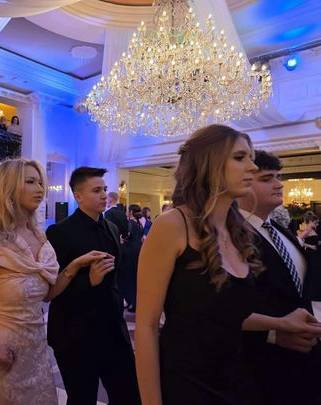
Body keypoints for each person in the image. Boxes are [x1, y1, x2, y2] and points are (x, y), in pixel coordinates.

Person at [135, 124, 320, 405]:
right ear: (209, 164)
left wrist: (280, 323)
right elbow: (147, 327)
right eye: (240, 157)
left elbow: (225, 314)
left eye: (251, 158)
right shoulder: (173, 224)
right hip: (188, 384)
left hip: (238, 381)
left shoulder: (237, 231)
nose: (252, 167)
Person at [0, 159, 106, 404]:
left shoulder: (41, 237)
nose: (40, 188)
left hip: (38, 355)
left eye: (40, 182)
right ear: (9, 188)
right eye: (30, 182)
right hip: (4, 357)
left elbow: (46, 295)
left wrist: (74, 267)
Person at [46, 166, 141, 405]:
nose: (104, 195)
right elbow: (51, 288)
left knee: (128, 393)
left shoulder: (112, 228)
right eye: (97, 190)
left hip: (112, 328)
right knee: (82, 397)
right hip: (75, 331)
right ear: (78, 196)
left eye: (105, 189)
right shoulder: (59, 232)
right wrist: (88, 281)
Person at [238, 150, 321, 405]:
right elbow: (220, 308)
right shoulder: (230, 234)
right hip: (261, 369)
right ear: (242, 184)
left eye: (278, 177)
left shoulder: (278, 229)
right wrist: (272, 334)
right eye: (267, 179)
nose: (279, 184)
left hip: (303, 363)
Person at [122, 204, 143, 313]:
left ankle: (132, 302)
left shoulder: (130, 223)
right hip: (138, 251)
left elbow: (127, 235)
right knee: (134, 277)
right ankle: (134, 301)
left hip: (130, 252)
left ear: (130, 212)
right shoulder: (140, 224)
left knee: (129, 277)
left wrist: (122, 240)